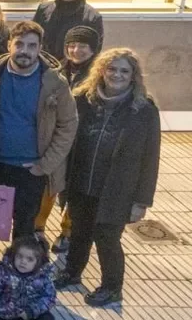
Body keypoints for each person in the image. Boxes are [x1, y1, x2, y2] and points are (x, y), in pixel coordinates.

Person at [52, 48, 161, 307]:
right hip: (81, 183)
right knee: (79, 232)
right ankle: (72, 271)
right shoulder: (81, 100)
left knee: (107, 238)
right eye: (112, 69)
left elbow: (151, 160)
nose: (117, 75)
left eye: (125, 70)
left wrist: (141, 201)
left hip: (117, 191)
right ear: (101, 70)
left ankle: (112, 287)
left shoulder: (144, 110)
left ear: (134, 76)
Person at [0, 21, 77, 243]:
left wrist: (45, 165)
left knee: (25, 224)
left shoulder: (55, 82)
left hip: (31, 168)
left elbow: (68, 125)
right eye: (19, 44)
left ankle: (19, 268)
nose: (25, 51)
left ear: (40, 48)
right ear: (9, 45)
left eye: (31, 45)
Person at [36, 24, 100, 254]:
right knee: (48, 185)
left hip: (83, 143)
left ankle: (67, 231)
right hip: (57, 139)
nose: (76, 50)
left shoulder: (99, 74)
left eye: (83, 46)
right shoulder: (57, 71)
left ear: (94, 48)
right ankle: (38, 228)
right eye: (72, 45)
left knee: (73, 190)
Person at [0, 237, 57, 320]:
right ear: (13, 255)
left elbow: (49, 297)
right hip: (5, 316)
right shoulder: (1, 272)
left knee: (47, 318)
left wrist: (31, 311)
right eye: (19, 256)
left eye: (30, 259)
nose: (23, 261)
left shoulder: (42, 275)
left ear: (38, 262)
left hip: (30, 314)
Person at [32, 0, 104, 59]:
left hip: (72, 68)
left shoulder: (92, 17)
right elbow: (32, 37)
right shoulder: (44, 9)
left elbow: (94, 51)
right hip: (43, 65)